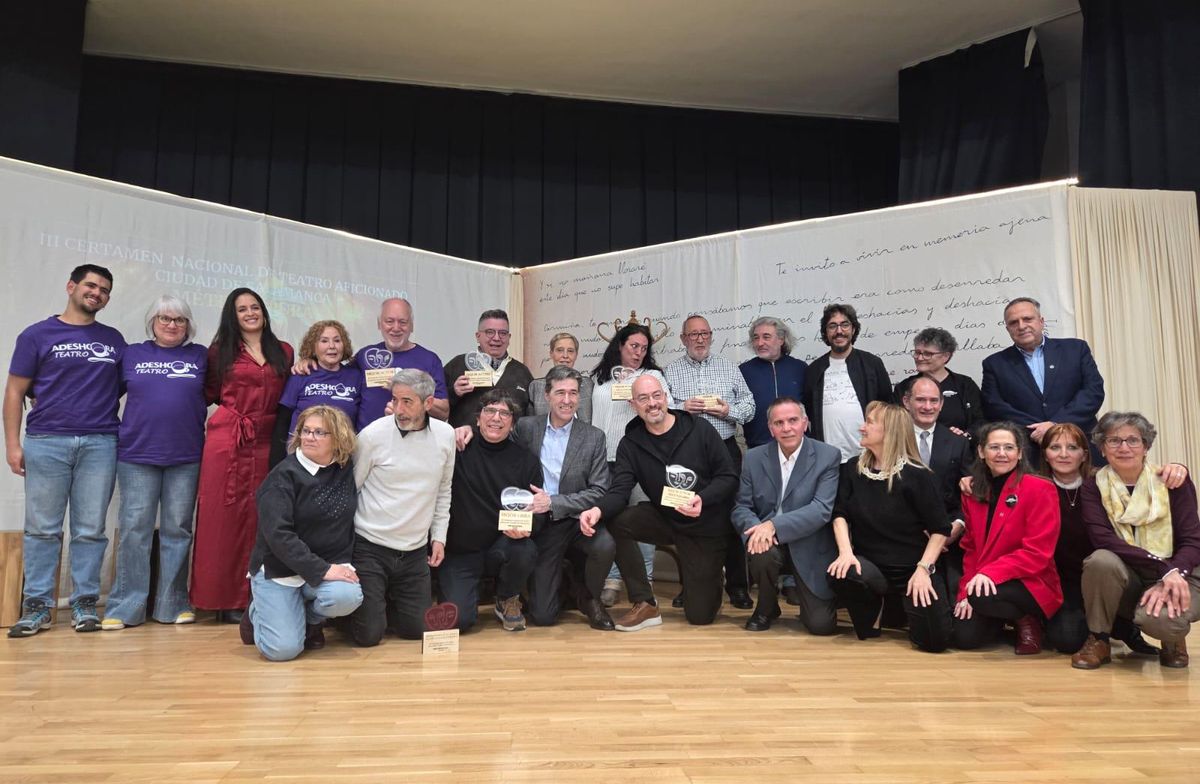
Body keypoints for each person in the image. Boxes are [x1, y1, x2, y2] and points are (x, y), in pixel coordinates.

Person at [6, 264, 125, 637]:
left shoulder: (114, 339)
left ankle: (84, 604)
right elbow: (13, 391)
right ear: (71, 286)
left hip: (101, 442)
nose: (97, 293)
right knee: (42, 529)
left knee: (90, 530)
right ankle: (37, 607)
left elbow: (121, 386)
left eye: (104, 289)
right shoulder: (37, 334)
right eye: (91, 285)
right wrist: (12, 444)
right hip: (46, 442)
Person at [579, 375, 739, 630]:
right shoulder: (631, 443)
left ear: (666, 397)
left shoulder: (700, 429)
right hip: (665, 518)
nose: (652, 403)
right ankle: (645, 603)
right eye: (643, 398)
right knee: (615, 521)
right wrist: (597, 509)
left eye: (656, 396)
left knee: (700, 616)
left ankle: (710, 575)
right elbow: (620, 490)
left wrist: (702, 498)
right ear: (633, 405)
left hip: (705, 525)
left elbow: (728, 476)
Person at [102, 296, 207, 630]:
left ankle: (171, 604)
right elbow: (100, 391)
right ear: (152, 322)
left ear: (188, 324)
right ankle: (125, 606)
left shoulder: (201, 356)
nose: (171, 324)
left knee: (178, 530)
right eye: (164, 318)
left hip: (186, 456)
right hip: (137, 455)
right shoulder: (132, 353)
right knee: (135, 530)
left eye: (179, 319)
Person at [190, 288, 294, 623]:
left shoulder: (284, 351)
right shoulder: (219, 352)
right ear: (232, 316)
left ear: (264, 311)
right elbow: (205, 394)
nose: (250, 313)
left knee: (259, 519)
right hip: (227, 441)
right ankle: (220, 598)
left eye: (254, 307)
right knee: (221, 520)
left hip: (267, 441)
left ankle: (253, 596)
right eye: (241, 309)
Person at [1073, 412, 1200, 670]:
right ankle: (1099, 639)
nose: (1124, 448)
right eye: (1114, 441)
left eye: (1133, 440)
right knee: (1100, 560)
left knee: (1164, 622)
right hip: (1134, 574)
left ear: (1146, 446)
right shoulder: (1093, 486)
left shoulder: (1174, 481)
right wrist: (1164, 569)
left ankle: (1172, 640)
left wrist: (1174, 572)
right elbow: (1103, 539)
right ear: (1102, 448)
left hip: (1182, 573)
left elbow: (1192, 540)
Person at [826, 402, 952, 652]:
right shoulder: (853, 468)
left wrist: (924, 570)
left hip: (913, 569)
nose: (862, 427)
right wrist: (845, 553)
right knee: (842, 572)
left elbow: (940, 528)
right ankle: (877, 608)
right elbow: (839, 514)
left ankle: (899, 608)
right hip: (871, 566)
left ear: (890, 430)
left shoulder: (918, 476)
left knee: (935, 643)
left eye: (870, 422)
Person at [240, 406, 363, 661]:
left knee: (348, 597)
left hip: (322, 566)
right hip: (279, 570)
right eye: (305, 431)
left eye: (319, 432)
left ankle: (303, 618)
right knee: (282, 651)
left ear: (338, 439)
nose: (309, 437)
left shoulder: (344, 468)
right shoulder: (282, 478)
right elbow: (279, 537)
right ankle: (256, 614)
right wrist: (323, 570)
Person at [1037, 423, 1166, 658]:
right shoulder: (1034, 487)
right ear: (1045, 453)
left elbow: (1144, 475)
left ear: (1084, 454)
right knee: (1067, 641)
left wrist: (1175, 468)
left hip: (1105, 574)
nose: (1064, 454)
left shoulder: (1104, 483)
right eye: (1055, 447)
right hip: (1060, 580)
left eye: (1072, 447)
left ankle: (1123, 626)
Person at [348, 369, 455, 646]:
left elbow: (443, 490)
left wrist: (439, 537)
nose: (399, 409)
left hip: (413, 551)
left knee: (417, 630)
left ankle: (382, 605)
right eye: (395, 400)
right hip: (370, 546)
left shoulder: (445, 436)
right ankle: (349, 613)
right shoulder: (372, 435)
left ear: (428, 403)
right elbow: (351, 488)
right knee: (369, 636)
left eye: (408, 401)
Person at [665, 314, 755, 609]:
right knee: (688, 519)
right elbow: (658, 409)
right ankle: (692, 585)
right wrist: (681, 408)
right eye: (693, 335)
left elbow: (750, 407)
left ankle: (738, 587)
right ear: (683, 339)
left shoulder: (730, 368)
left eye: (704, 334)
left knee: (732, 516)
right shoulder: (670, 370)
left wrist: (728, 410)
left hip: (725, 450)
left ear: (711, 336)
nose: (700, 339)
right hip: (684, 454)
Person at [513, 366, 613, 630]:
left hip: (578, 519)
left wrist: (555, 502)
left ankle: (589, 597)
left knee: (605, 545)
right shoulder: (526, 428)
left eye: (572, 393)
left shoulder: (593, 437)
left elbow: (599, 489)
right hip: (542, 522)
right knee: (543, 617)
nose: (567, 400)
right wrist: (463, 431)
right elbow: (498, 449)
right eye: (560, 393)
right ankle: (564, 582)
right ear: (547, 395)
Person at [951, 422, 1062, 654]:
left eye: (1009, 447)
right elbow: (970, 549)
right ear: (981, 452)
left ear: (1020, 453)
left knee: (980, 598)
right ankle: (1004, 618)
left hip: (1030, 580)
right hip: (986, 581)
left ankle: (1026, 618)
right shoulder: (973, 491)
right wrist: (964, 593)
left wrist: (988, 574)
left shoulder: (1040, 488)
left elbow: (1037, 553)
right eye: (994, 447)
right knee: (965, 638)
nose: (1002, 454)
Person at [440, 389, 546, 631]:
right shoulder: (456, 450)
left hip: (502, 547)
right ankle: (470, 594)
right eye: (490, 411)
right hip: (461, 550)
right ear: (477, 419)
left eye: (504, 413)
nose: (496, 418)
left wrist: (528, 527)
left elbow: (538, 509)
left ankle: (507, 596)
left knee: (524, 549)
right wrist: (451, 432)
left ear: (513, 423)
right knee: (459, 621)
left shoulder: (526, 460)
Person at [732, 398, 840, 633]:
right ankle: (766, 607)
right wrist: (755, 529)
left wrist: (772, 525)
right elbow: (741, 506)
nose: (787, 428)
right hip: (768, 543)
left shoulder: (828, 456)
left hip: (809, 544)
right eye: (779, 423)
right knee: (759, 547)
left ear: (805, 423)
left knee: (821, 626)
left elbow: (821, 509)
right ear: (771, 428)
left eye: (793, 420)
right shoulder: (753, 457)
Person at [589, 323, 670, 606]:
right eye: (633, 346)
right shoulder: (600, 377)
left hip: (639, 457)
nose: (638, 353)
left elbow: (664, 409)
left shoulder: (652, 376)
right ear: (619, 346)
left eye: (644, 348)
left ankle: (644, 582)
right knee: (610, 520)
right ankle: (612, 579)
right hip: (602, 458)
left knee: (641, 520)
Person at [980, 297, 1105, 461]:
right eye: (1013, 322)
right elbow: (994, 406)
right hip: (1030, 451)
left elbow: (1093, 392)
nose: (1021, 326)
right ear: (1008, 329)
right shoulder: (995, 363)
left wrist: (1054, 424)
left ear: (1041, 321)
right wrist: (1037, 430)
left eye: (1027, 319)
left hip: (1080, 445)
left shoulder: (1076, 349)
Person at [900, 376, 972, 598]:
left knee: (953, 599)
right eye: (921, 400)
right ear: (906, 402)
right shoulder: (892, 440)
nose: (928, 407)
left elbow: (970, 493)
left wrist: (956, 526)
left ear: (941, 404)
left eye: (934, 400)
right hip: (904, 537)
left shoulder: (958, 442)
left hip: (950, 537)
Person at [803, 303, 891, 462]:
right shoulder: (814, 370)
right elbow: (809, 411)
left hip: (867, 456)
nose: (839, 331)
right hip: (828, 458)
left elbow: (888, 406)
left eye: (844, 325)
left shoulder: (872, 364)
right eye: (832, 326)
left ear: (853, 329)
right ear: (825, 332)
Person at [271, 320, 361, 466]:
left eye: (337, 340)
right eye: (324, 341)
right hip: (301, 460)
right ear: (314, 347)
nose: (332, 346)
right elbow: (283, 421)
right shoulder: (301, 374)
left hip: (340, 461)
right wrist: (276, 464)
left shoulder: (355, 377)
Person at [353, 298, 448, 429]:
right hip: (367, 442)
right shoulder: (364, 355)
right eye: (389, 321)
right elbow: (335, 372)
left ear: (412, 326)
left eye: (403, 322)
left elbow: (443, 413)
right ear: (379, 324)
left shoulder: (429, 359)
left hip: (412, 443)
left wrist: (410, 389)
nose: (396, 328)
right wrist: (314, 359)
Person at [444, 309, 533, 427]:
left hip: (510, 444)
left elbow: (530, 417)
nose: (496, 338)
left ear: (509, 337)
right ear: (478, 336)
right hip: (465, 443)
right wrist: (454, 393)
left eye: (502, 333)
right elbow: (434, 407)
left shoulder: (522, 372)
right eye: (490, 332)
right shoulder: (457, 365)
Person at [893, 327, 983, 437]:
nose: (920, 358)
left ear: (946, 356)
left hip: (958, 450)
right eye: (917, 353)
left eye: (927, 354)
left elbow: (981, 421)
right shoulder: (903, 387)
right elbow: (894, 422)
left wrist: (965, 435)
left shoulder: (965, 385)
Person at [739, 317, 807, 450]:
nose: (760, 343)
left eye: (766, 337)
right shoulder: (743, 371)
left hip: (798, 446)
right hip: (759, 447)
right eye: (756, 338)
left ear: (781, 339)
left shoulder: (800, 368)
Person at [531, 332, 593, 423]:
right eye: (560, 350)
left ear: (576, 355)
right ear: (551, 354)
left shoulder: (588, 385)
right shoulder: (536, 387)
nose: (565, 356)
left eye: (570, 351)